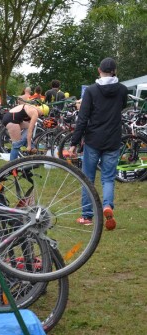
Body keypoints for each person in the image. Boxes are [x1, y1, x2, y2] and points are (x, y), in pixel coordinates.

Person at [68, 57, 128, 230]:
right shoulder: (122, 90)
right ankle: (107, 205)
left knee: (88, 177)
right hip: (113, 140)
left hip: (93, 139)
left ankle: (87, 215)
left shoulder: (92, 91)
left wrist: (74, 142)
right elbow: (122, 106)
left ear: (98, 70)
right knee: (108, 178)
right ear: (115, 71)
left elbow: (83, 118)